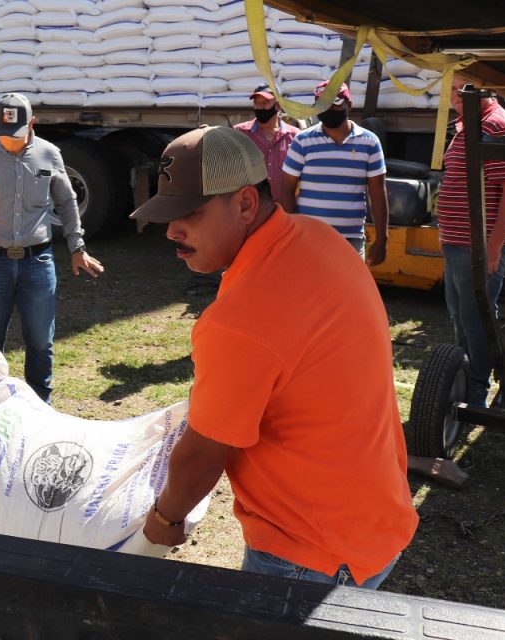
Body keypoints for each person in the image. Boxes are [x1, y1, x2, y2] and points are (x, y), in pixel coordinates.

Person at [132, 125, 417, 589]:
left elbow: (204, 452)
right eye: (167, 214)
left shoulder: (242, 318)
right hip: (374, 517)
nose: (171, 232)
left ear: (245, 203)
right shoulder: (320, 238)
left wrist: (165, 519)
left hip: (312, 552)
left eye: (190, 213)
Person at [0, 93, 104, 403]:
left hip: (38, 262)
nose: (9, 142)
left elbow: (67, 201)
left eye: (16, 135)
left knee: (40, 342)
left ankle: (40, 405)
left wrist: (77, 246)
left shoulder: (49, 154)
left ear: (31, 123)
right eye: (3, 135)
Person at [437, 77, 505, 407]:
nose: (457, 96)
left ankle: (476, 387)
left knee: (475, 317)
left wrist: (492, 247)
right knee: (461, 315)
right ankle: (462, 377)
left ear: (486, 90)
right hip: (459, 244)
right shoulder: (468, 125)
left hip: (477, 247)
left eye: (465, 88)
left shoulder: (499, 126)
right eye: (452, 88)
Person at [280, 81, 390, 266]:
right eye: (323, 105)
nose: (329, 109)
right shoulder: (302, 141)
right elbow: (286, 190)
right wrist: (292, 232)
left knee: (349, 294)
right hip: (309, 239)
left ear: (349, 106)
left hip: (350, 240)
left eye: (335, 104)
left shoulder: (369, 142)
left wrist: (382, 240)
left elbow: (377, 193)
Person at [233, 83, 300, 201]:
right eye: (256, 103)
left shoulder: (295, 136)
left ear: (278, 106)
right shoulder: (240, 133)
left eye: (265, 103)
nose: (259, 107)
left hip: (283, 210)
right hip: (251, 210)